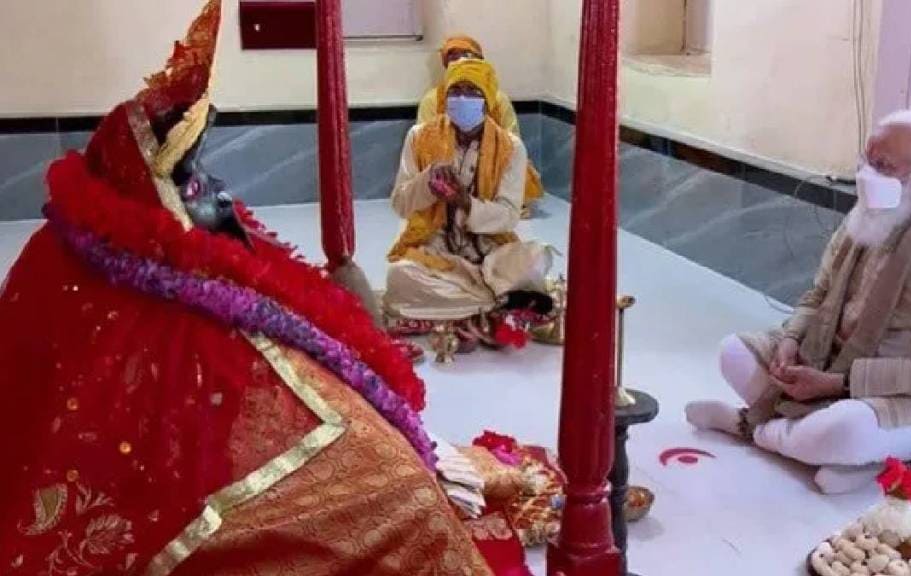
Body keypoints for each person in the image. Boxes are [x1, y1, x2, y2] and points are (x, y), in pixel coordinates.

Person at [0, 3, 496, 574]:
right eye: (192, 178)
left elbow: (509, 208)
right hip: (430, 254)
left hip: (483, 248)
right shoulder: (152, 309)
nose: (221, 194)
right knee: (410, 283)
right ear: (155, 204)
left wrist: (471, 210)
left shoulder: (504, 143)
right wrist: (434, 194)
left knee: (515, 264)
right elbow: (405, 199)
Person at [685, 110, 911, 494]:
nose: (868, 175)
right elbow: (819, 295)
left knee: (844, 431)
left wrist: (838, 385)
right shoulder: (872, 212)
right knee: (733, 353)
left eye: (884, 166)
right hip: (832, 359)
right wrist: (790, 341)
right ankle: (835, 452)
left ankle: (756, 428)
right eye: (866, 161)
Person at [385, 59, 553, 350]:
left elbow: (509, 216)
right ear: (445, 96)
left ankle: (459, 311)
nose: (462, 98)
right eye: (455, 90)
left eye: (472, 92)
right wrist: (428, 183)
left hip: (489, 249)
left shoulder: (511, 147)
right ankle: (498, 306)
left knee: (534, 260)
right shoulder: (420, 137)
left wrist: (466, 203)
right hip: (437, 249)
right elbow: (400, 204)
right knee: (400, 275)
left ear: (487, 100)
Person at [418, 35, 544, 217]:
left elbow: (511, 143)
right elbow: (423, 146)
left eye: (466, 55)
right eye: (453, 57)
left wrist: (485, 159)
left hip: (492, 166)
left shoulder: (499, 100)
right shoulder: (432, 100)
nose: (460, 62)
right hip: (448, 165)